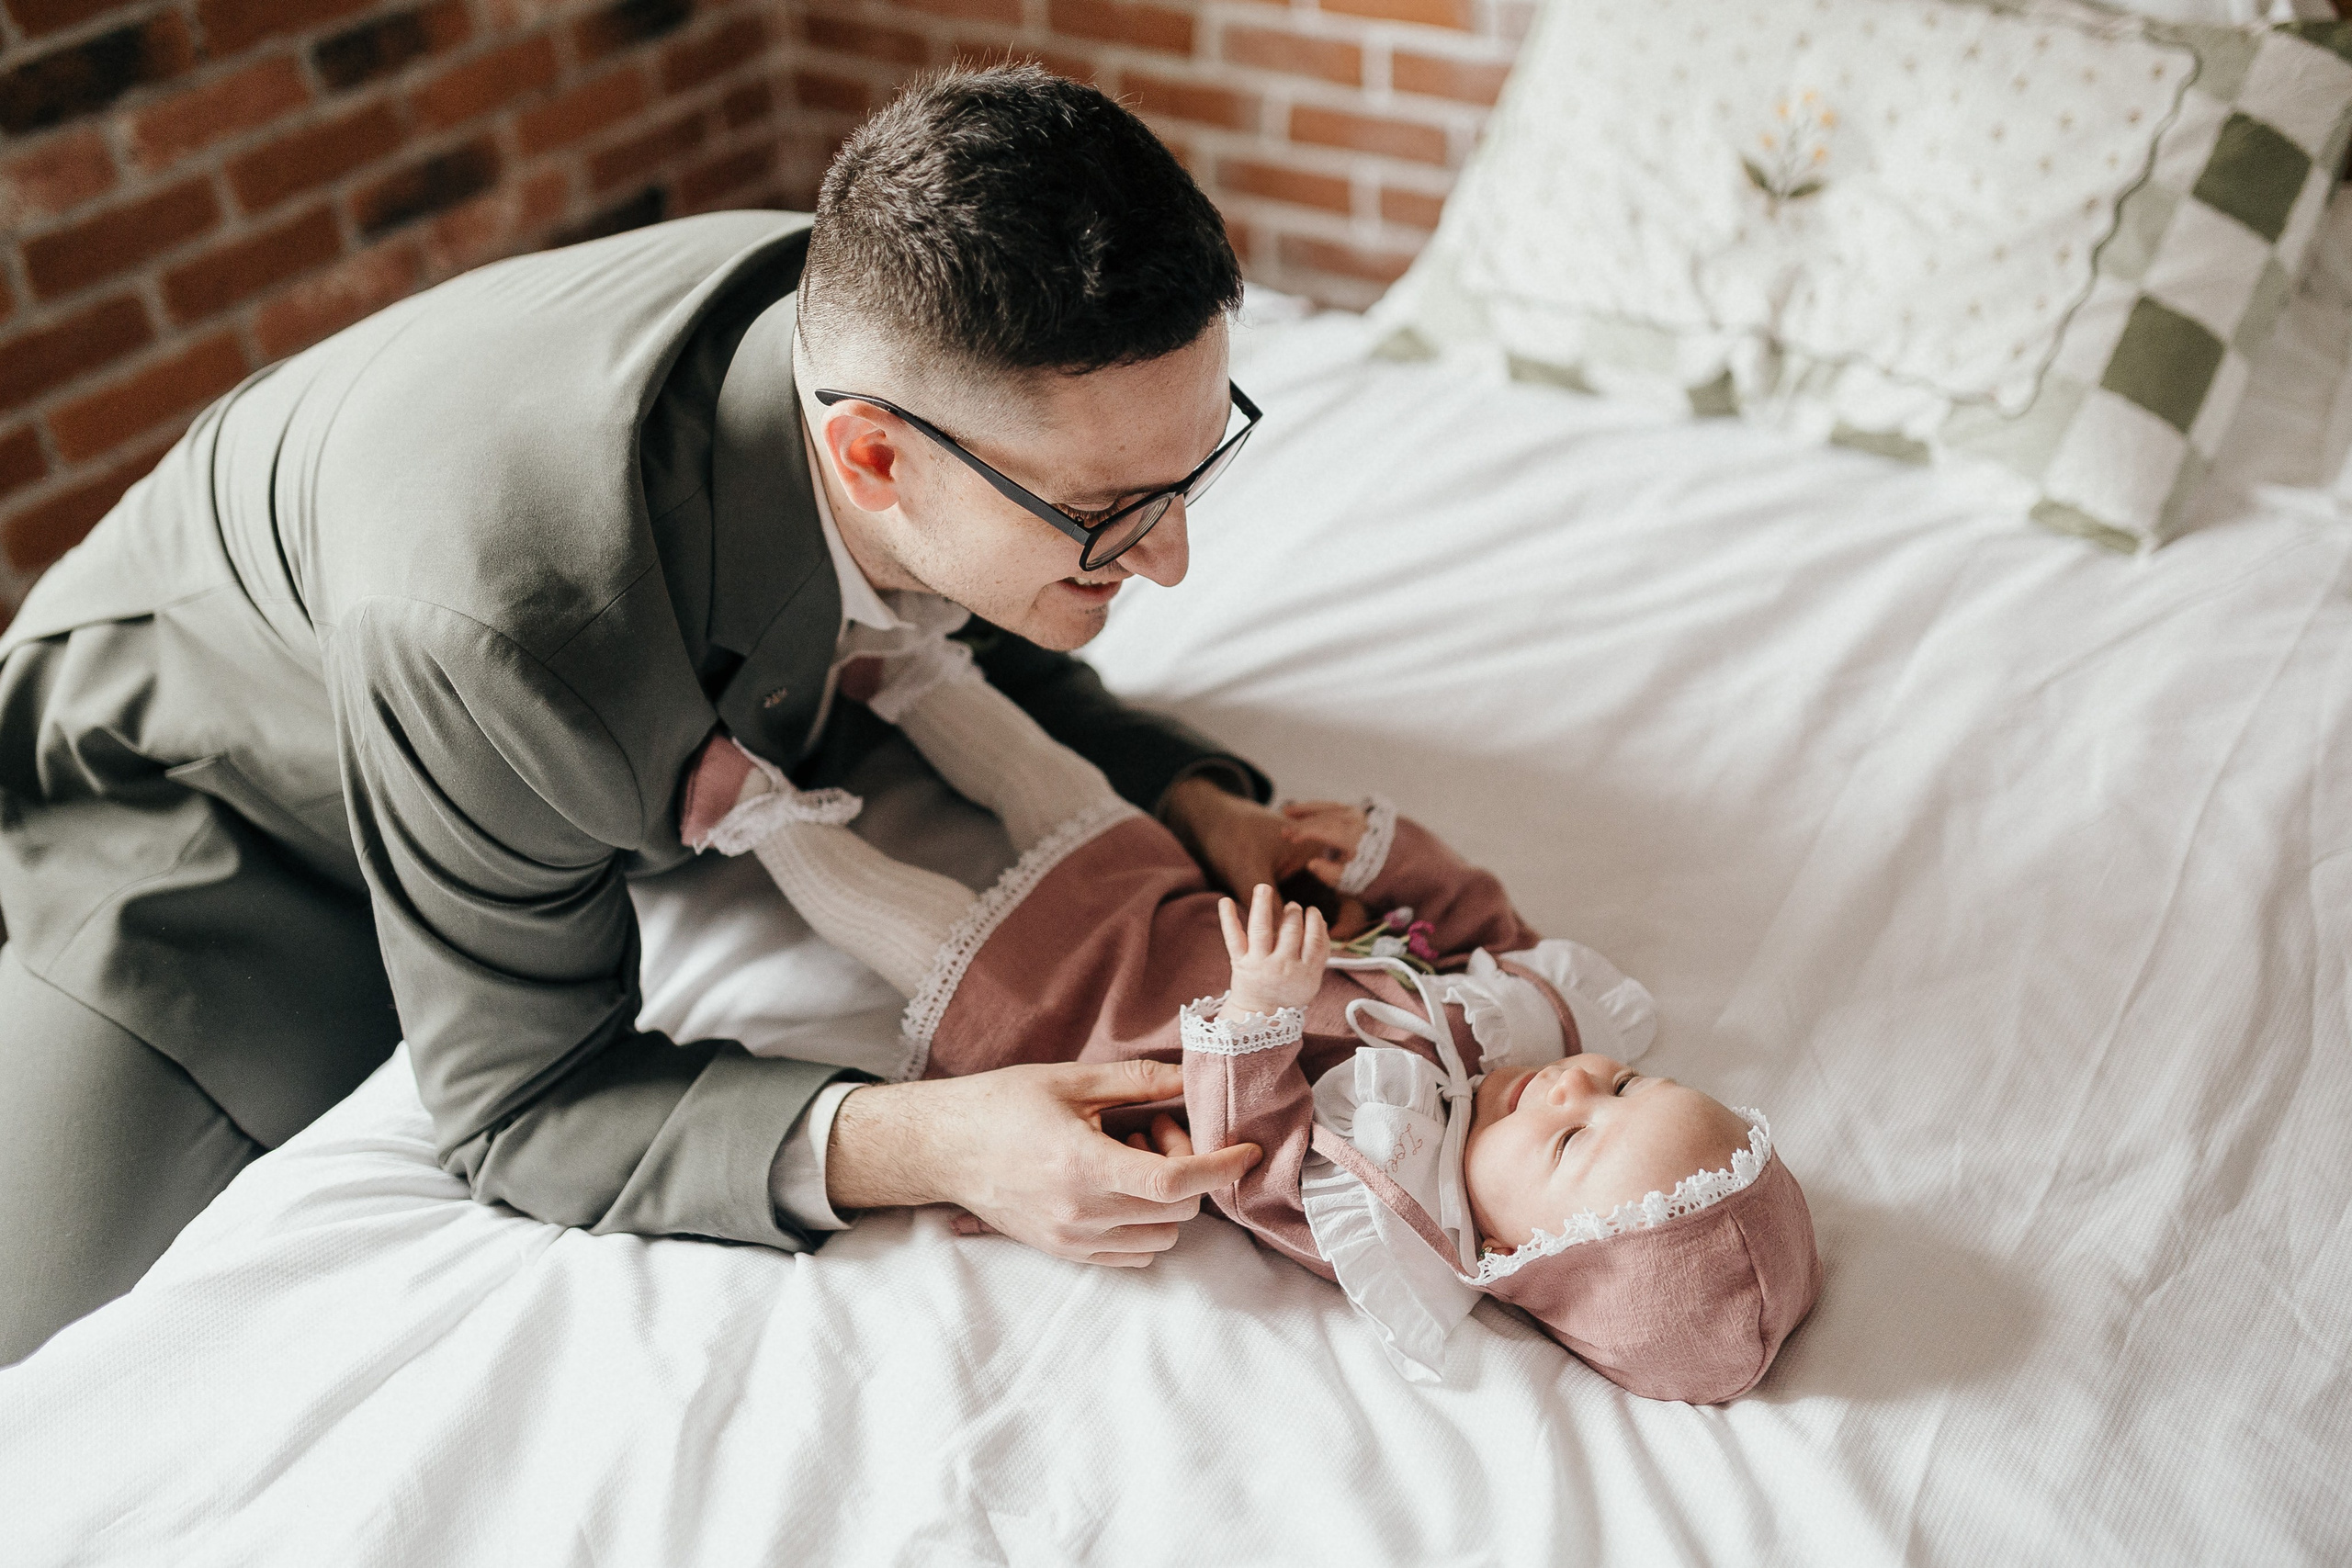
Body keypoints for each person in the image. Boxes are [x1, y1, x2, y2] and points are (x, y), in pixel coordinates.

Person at [0, 64, 1311, 1366]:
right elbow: (521, 1107)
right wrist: (936, 1140)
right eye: (1109, 515)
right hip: (194, 805)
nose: (1173, 562)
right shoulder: (517, 631)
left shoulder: (891, 310)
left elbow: (971, 603)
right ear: (872, 456)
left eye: (1192, 469)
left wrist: (1189, 793)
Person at [691, 633, 1824, 1401]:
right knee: (1064, 791)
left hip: (1086, 1007)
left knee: (907, 924)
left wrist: (1260, 1014)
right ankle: (919, 677)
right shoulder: (1523, 1039)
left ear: (1528, 1255)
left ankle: (757, 818)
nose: (1576, 1087)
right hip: (1165, 902)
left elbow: (1253, 1155)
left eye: (1575, 1139)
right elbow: (1487, 927)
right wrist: (1393, 857)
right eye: (1624, 1083)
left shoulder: (1383, 1204)